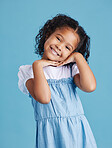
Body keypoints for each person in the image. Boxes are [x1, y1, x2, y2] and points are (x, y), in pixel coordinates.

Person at [18, 14, 97, 148]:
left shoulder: (69, 70)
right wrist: (38, 65)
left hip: (77, 131)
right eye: (58, 38)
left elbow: (90, 86)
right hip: (50, 135)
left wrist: (78, 57)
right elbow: (44, 98)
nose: (60, 47)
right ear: (48, 34)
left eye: (68, 48)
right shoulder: (28, 71)